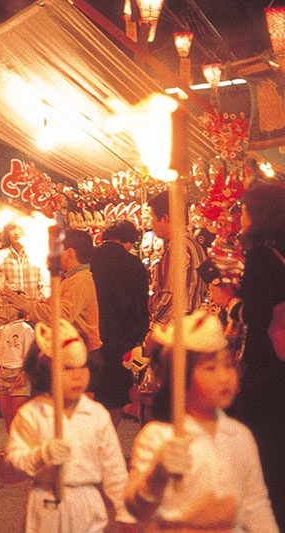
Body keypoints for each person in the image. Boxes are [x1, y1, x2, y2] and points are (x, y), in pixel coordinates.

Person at [124, 311, 277, 531]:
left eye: (228, 365)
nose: (224, 377)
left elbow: (255, 505)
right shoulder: (158, 436)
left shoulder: (240, 435)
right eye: (210, 368)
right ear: (180, 377)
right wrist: (157, 475)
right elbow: (137, 508)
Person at [5, 319, 134, 532]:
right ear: (45, 372)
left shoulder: (96, 414)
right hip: (46, 502)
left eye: (82, 367)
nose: (77, 375)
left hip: (86, 503)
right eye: (67, 368)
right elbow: (13, 460)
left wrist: (125, 511)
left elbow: (114, 468)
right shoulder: (31, 414)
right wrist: (41, 455)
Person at [209, 181, 285, 527]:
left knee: (263, 450)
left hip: (266, 367)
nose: (239, 215)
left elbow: (258, 314)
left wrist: (231, 301)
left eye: (243, 209)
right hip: (278, 364)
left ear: (256, 213)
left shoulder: (260, 257)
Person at [2, 229, 103, 387]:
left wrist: (26, 305)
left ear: (69, 252)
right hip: (73, 350)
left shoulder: (80, 280)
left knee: (75, 406)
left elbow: (62, 315)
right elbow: (52, 305)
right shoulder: (71, 278)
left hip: (82, 353)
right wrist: (26, 301)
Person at [90, 220, 149, 425]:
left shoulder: (89, 257)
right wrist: (138, 338)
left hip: (89, 335)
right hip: (120, 340)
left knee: (88, 393)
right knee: (113, 397)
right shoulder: (134, 265)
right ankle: (109, 440)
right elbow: (141, 307)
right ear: (130, 241)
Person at [147, 189, 207, 325]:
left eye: (152, 217)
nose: (151, 223)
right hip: (190, 327)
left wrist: (155, 328)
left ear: (165, 218)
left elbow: (171, 297)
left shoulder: (177, 248)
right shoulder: (193, 244)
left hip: (176, 330)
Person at [0, 317, 34, 454]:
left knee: (18, 412)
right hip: (3, 373)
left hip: (18, 374)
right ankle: (12, 444)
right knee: (6, 412)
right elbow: (0, 351)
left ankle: (23, 446)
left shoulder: (25, 329)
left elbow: (30, 353)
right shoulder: (2, 329)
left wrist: (25, 372)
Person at [0, 222, 43, 329]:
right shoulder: (1, 255)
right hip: (10, 310)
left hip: (33, 307)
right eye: (12, 228)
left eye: (21, 228)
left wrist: (40, 304)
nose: (17, 232)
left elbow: (44, 284)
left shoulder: (38, 253)